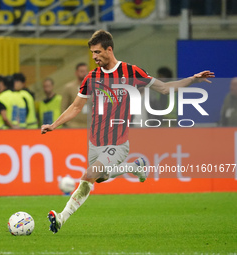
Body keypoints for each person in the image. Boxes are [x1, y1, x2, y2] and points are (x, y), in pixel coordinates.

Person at [41, 30, 214, 234]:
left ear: (109, 49)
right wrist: (54, 124)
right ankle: (135, 167)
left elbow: (165, 88)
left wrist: (193, 79)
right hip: (95, 142)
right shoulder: (92, 77)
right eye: (92, 53)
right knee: (99, 177)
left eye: (97, 52)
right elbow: (76, 106)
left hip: (118, 142)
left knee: (89, 174)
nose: (94, 57)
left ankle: (61, 219)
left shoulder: (130, 72)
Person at [61, 63, 89, 128]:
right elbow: (63, 107)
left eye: (85, 71)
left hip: (90, 125)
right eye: (81, 71)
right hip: (74, 126)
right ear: (76, 73)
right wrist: (69, 123)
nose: (84, 73)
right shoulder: (69, 88)